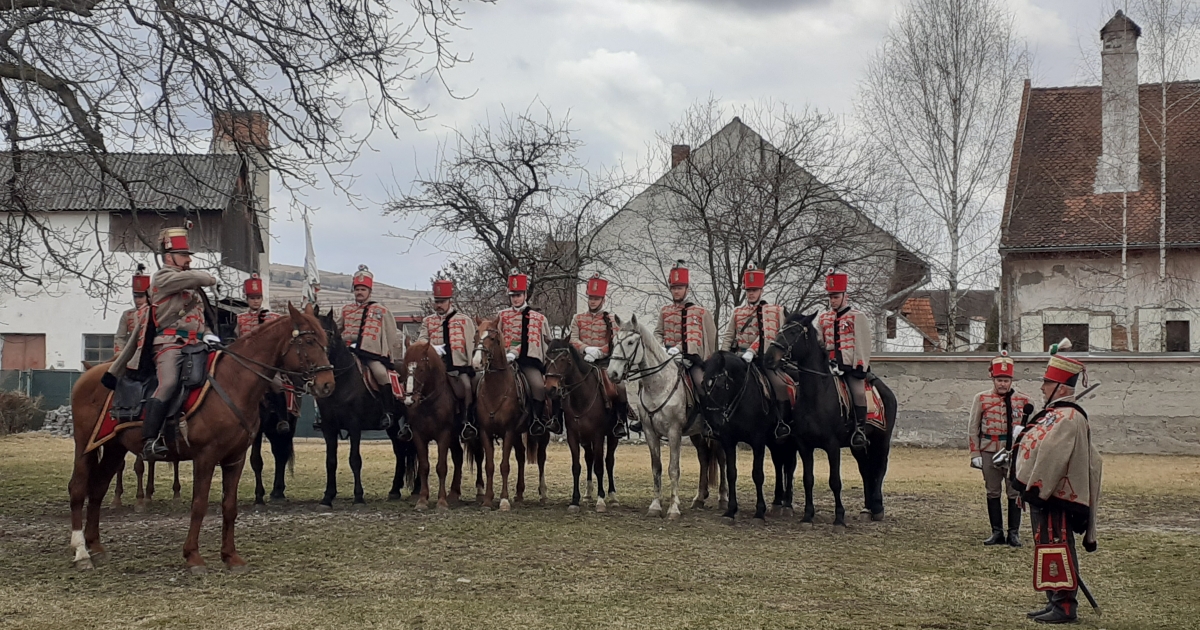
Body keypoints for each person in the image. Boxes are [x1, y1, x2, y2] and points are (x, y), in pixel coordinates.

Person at [105, 227, 219, 461]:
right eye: (184, 254)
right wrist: (209, 277)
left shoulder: (188, 286)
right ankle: (150, 439)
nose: (188, 259)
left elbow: (198, 318)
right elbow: (201, 277)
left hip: (196, 344)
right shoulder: (164, 278)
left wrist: (208, 334)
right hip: (169, 344)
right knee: (167, 383)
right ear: (169, 257)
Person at [1013, 340, 1103, 625]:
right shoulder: (1056, 414)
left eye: (1046, 382)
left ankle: (1065, 606)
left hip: (1055, 495)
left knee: (1057, 547)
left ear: (1060, 388)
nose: (1041, 387)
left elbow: (1053, 458)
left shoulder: (1067, 417)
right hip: (1045, 493)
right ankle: (1054, 599)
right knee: (1048, 546)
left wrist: (1037, 491)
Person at [335, 264, 410, 440]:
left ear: (369, 291)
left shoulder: (380, 310)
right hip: (348, 353)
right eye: (357, 289)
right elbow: (337, 329)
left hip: (370, 355)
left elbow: (391, 333)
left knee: (381, 374)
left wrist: (383, 351)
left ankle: (388, 412)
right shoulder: (346, 310)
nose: (359, 292)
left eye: (363, 289)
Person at [967, 352, 1034, 547]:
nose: (1002, 384)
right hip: (989, 450)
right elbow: (973, 428)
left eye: (1006, 380)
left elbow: (1033, 429)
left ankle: (1014, 533)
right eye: (999, 380)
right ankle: (996, 532)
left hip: (1013, 452)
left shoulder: (1024, 401)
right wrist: (975, 454)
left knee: (1014, 492)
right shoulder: (981, 399)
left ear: (1011, 380)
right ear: (993, 379)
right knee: (992, 491)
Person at [719, 264, 791, 438]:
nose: (751, 293)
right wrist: (723, 357)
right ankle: (718, 421)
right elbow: (729, 336)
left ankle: (781, 422)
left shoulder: (773, 311)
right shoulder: (738, 312)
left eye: (754, 290)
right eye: (748, 290)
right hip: (738, 359)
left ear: (761, 290)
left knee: (780, 386)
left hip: (761, 359)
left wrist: (752, 351)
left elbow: (768, 334)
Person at [568, 273, 631, 437]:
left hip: (603, 363)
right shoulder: (578, 318)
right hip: (582, 364)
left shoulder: (611, 318)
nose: (592, 301)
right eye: (591, 298)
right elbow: (573, 338)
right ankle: (559, 419)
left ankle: (619, 421)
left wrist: (599, 352)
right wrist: (585, 349)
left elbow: (614, 341)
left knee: (620, 388)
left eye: (596, 298)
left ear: (603, 299)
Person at [416, 278, 478, 440]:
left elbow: (471, 344)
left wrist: (471, 364)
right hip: (434, 368)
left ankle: (467, 421)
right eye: (436, 301)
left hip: (458, 367)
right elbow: (421, 341)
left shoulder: (464, 320)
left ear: (450, 300)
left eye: (442, 301)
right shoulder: (428, 321)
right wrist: (431, 349)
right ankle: (411, 424)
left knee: (466, 387)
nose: (439, 305)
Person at [817, 270, 872, 450]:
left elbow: (862, 344)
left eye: (836, 296)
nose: (832, 300)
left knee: (858, 392)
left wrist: (858, 367)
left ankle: (860, 429)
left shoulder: (857, 316)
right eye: (830, 297)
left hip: (850, 366)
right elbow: (819, 342)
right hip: (828, 366)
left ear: (844, 296)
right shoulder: (823, 318)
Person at [496, 270, 555, 435]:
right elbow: (495, 338)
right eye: (513, 295)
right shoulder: (501, 316)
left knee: (538, 386)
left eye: (519, 295)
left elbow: (545, 342)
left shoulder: (539, 318)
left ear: (525, 295)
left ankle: (537, 419)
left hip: (527, 362)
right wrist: (504, 353)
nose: (515, 298)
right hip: (504, 362)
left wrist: (515, 352)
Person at [236, 274, 293, 433]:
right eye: (252, 297)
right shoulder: (239, 318)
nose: (255, 301)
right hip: (245, 363)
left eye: (258, 297)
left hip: (266, 364)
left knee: (277, 385)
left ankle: (283, 418)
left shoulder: (273, 318)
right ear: (247, 299)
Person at [656, 260, 717, 400]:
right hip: (665, 357)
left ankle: (707, 419)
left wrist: (678, 349)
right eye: (674, 288)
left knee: (702, 384)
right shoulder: (664, 311)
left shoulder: (697, 311)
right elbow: (658, 332)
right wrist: (661, 347)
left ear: (687, 289)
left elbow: (694, 336)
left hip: (687, 358)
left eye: (680, 288)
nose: (676, 291)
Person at [113, 264, 150, 355]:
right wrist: (119, 353)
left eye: (141, 297)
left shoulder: (156, 312)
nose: (138, 300)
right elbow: (120, 337)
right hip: (132, 351)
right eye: (135, 297)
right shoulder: (127, 314)